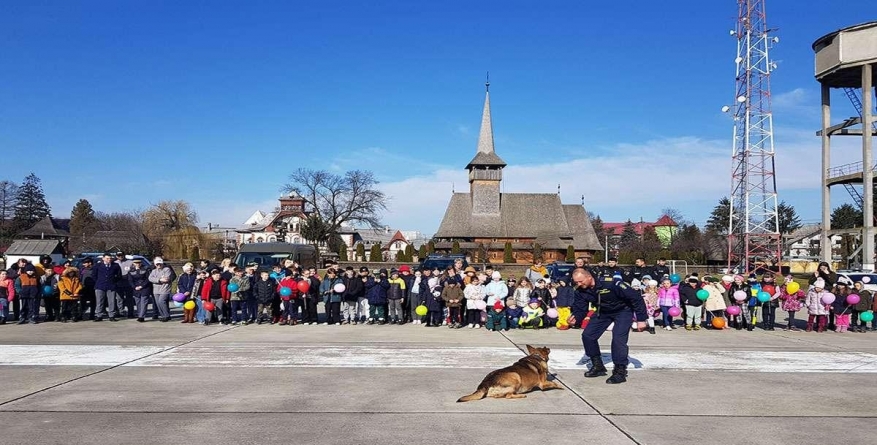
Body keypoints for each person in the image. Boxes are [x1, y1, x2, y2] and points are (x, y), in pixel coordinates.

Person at [568, 268, 647, 384]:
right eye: (576, 282)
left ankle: (620, 371)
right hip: (603, 311)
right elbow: (581, 308)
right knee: (588, 336)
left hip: (622, 311)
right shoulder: (580, 290)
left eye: (581, 281)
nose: (579, 284)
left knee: (618, 339)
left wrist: (641, 319)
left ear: (589, 277)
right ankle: (598, 366)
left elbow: (636, 297)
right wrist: (576, 318)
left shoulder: (611, 283)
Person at [93, 253, 122, 322]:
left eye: (110, 258)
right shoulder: (98, 265)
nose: (109, 260)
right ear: (103, 258)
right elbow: (94, 275)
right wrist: (98, 281)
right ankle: (99, 315)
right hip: (100, 286)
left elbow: (119, 275)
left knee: (111, 301)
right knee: (99, 301)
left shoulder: (115, 265)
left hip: (111, 286)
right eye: (107, 258)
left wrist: (114, 281)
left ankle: (111, 315)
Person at [148, 257, 176, 322]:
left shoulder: (167, 269)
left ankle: (166, 315)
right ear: (155, 264)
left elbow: (166, 279)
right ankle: (163, 315)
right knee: (158, 303)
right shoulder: (153, 271)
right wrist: (159, 279)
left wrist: (156, 279)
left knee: (161, 301)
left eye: (160, 264)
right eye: (157, 264)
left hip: (165, 289)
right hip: (156, 290)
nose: (159, 265)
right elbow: (150, 278)